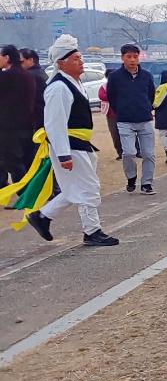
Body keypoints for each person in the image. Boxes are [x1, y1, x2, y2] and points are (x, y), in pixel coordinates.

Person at [23, 35, 118, 246]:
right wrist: (63, 153)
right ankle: (92, 231)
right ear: (61, 63)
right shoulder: (58, 88)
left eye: (80, 57)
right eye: (76, 58)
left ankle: (42, 216)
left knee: (75, 188)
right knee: (88, 188)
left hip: (79, 143)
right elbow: (54, 123)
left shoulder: (72, 82)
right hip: (70, 144)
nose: (81, 61)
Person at [106, 44, 157, 194]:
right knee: (128, 152)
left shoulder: (147, 75)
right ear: (122, 58)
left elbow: (150, 95)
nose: (132, 60)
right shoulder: (115, 77)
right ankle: (131, 177)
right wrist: (121, 111)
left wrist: (146, 107)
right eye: (129, 57)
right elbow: (111, 97)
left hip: (145, 119)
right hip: (124, 120)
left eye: (135, 56)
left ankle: (147, 183)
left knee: (149, 153)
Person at [0, 44, 36, 186]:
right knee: (26, 161)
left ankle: (24, 194)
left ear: (7, 57)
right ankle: (28, 191)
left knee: (13, 163)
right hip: (27, 125)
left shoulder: (6, 76)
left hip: (8, 127)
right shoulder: (28, 75)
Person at [19, 49, 48, 171]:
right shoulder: (41, 73)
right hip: (42, 120)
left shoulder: (31, 76)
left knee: (35, 157)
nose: (19, 64)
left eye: (21, 61)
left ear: (31, 60)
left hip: (35, 122)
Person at [97, 84, 124, 160]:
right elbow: (101, 96)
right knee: (115, 134)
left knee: (130, 132)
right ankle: (120, 152)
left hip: (124, 112)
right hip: (111, 115)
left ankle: (136, 151)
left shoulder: (123, 83)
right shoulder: (104, 86)